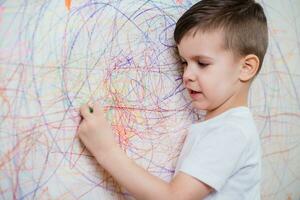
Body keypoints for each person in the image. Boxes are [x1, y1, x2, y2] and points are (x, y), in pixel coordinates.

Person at [77, 0, 268, 199]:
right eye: (184, 62)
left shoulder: (230, 131)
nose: (187, 75)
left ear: (246, 68)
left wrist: (105, 150)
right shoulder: (225, 126)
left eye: (202, 63)